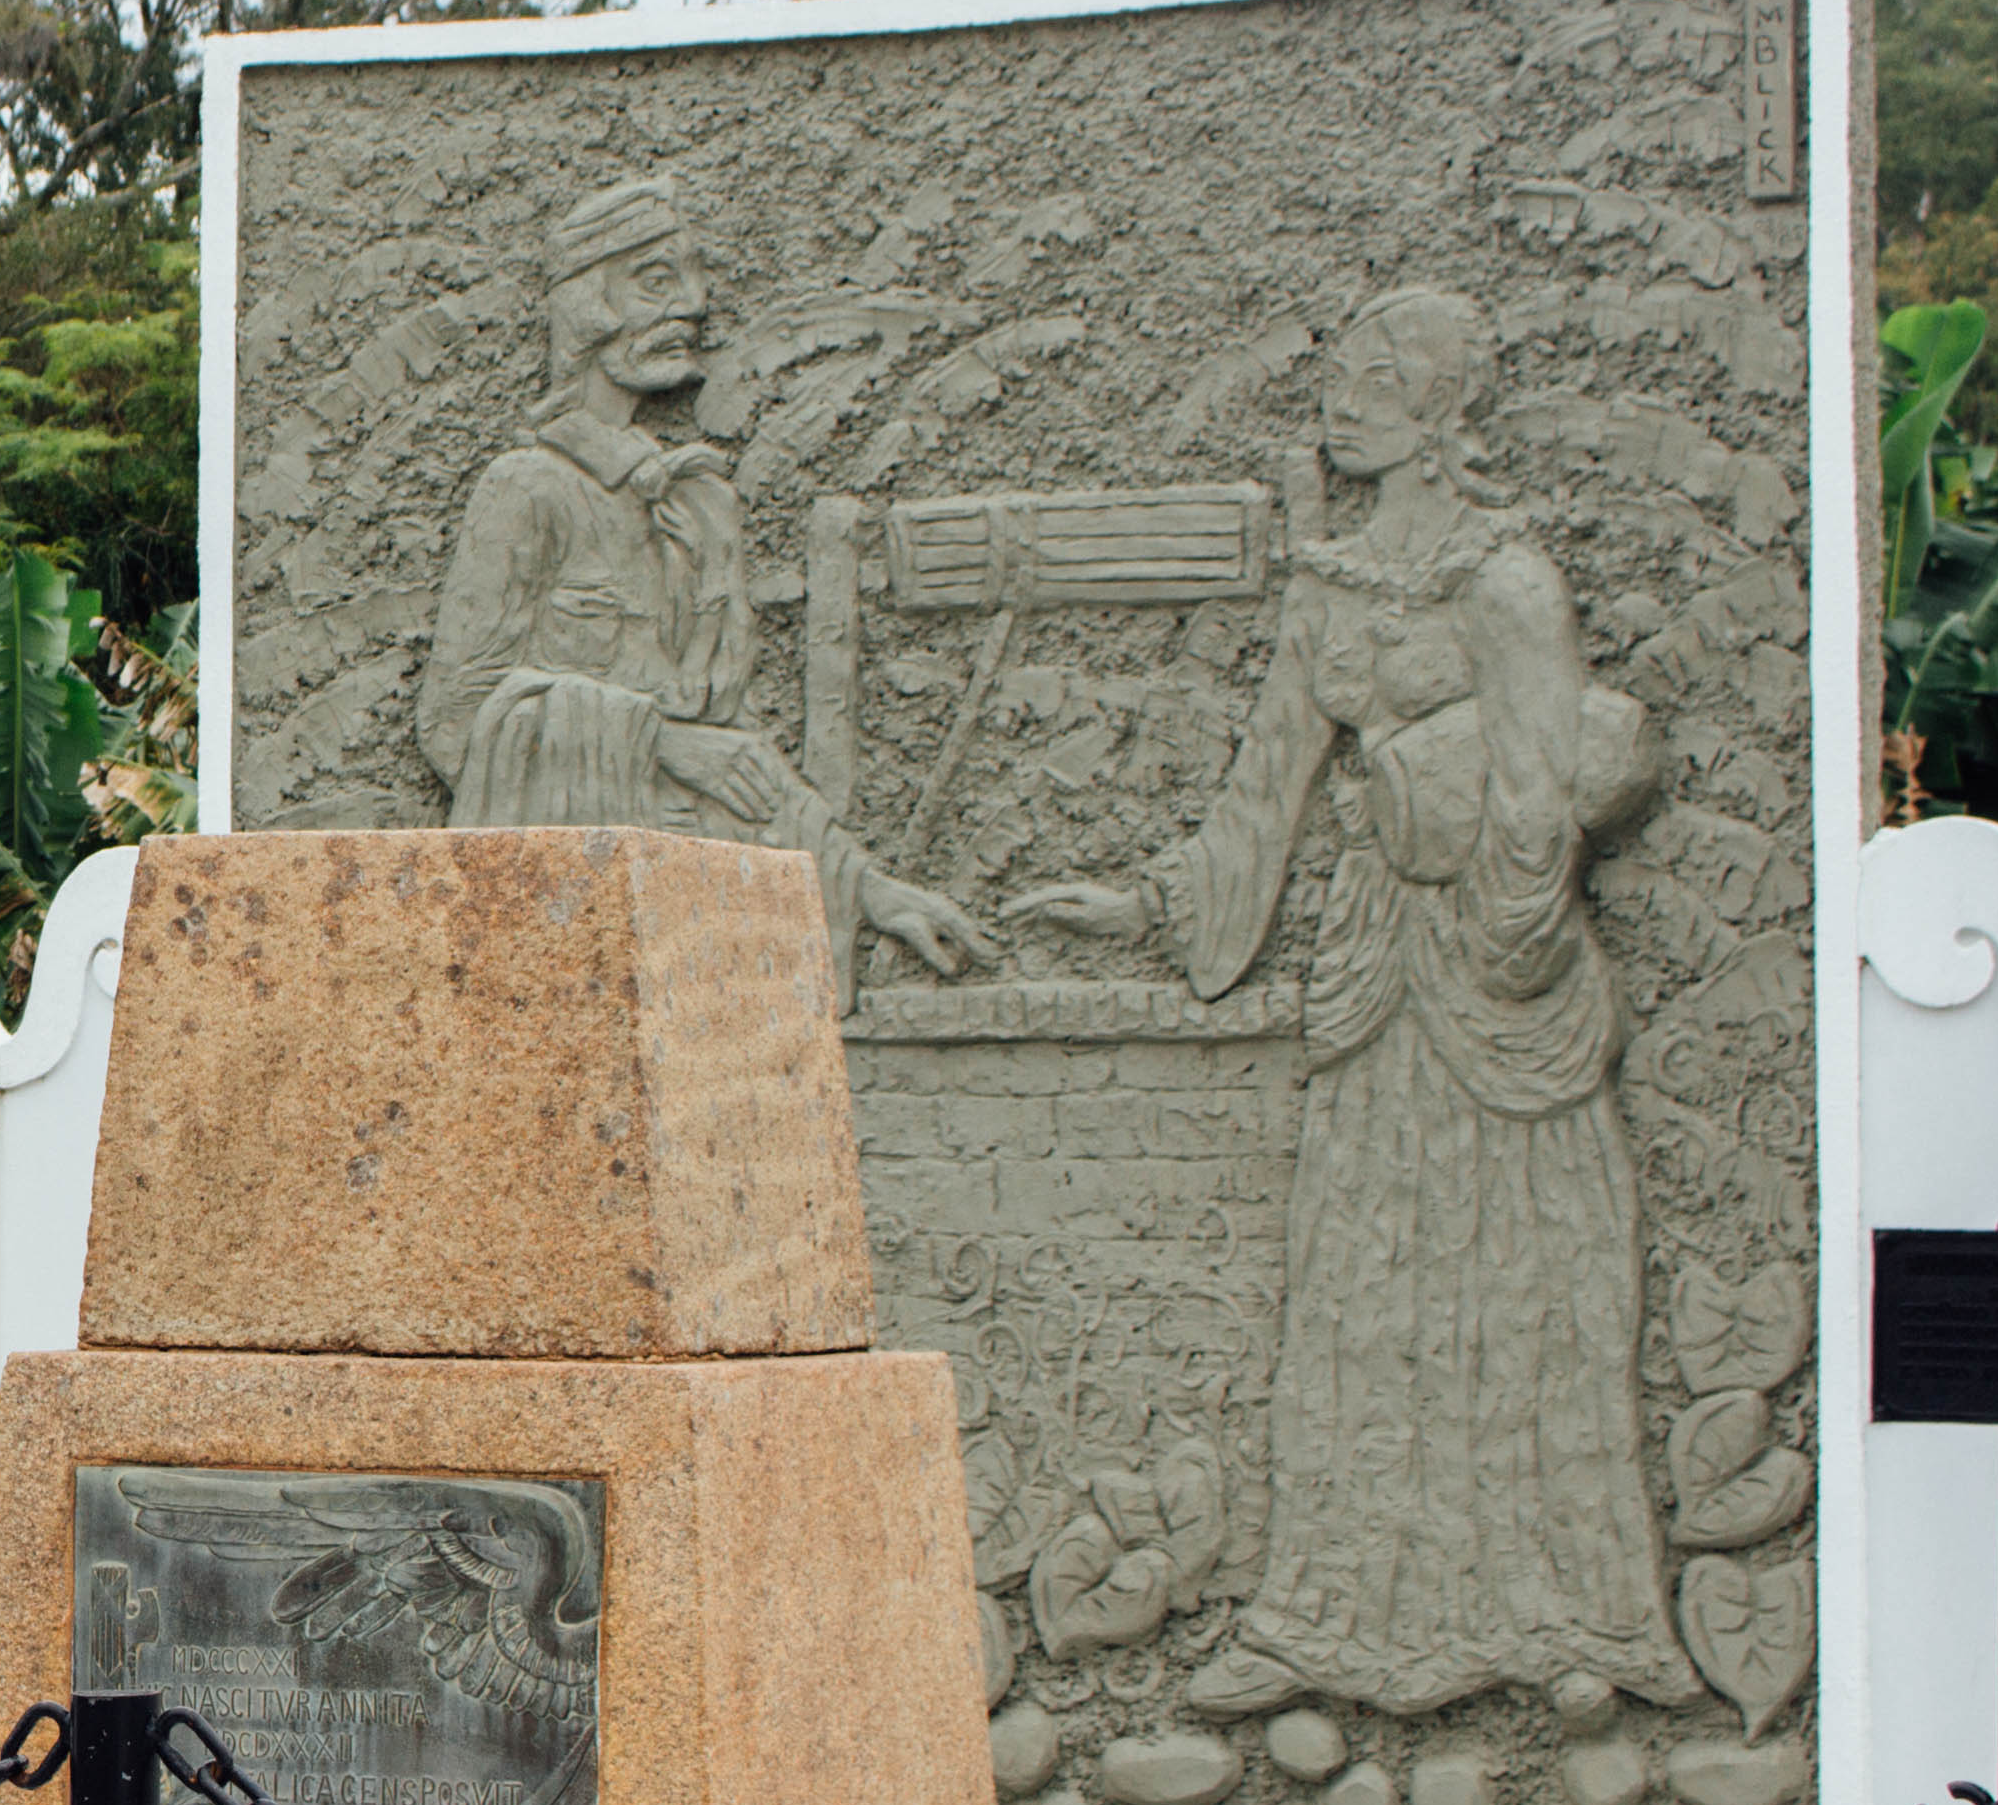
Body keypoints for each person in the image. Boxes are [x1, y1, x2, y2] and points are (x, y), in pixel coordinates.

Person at [1011, 289, 1682, 1717]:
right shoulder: (1327, 585)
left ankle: (1557, 1618)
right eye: (1346, 372)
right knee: (1361, 1265)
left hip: (1500, 967)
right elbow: (1268, 788)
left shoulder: (1505, 581)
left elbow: (1541, 787)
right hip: (1378, 946)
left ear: (1448, 408)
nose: (1350, 395)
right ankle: (1329, 1613)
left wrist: (1508, 944)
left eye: (1388, 377)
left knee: (1512, 1268)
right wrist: (1148, 907)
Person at [420, 179, 987, 991]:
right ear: (586, 305)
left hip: (698, 928)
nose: (693, 303)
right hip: (574, 931)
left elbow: (738, 752)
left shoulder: (698, 504)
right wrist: (661, 744)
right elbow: (454, 723)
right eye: (656, 279)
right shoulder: (527, 490)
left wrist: (870, 890)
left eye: (693, 276)